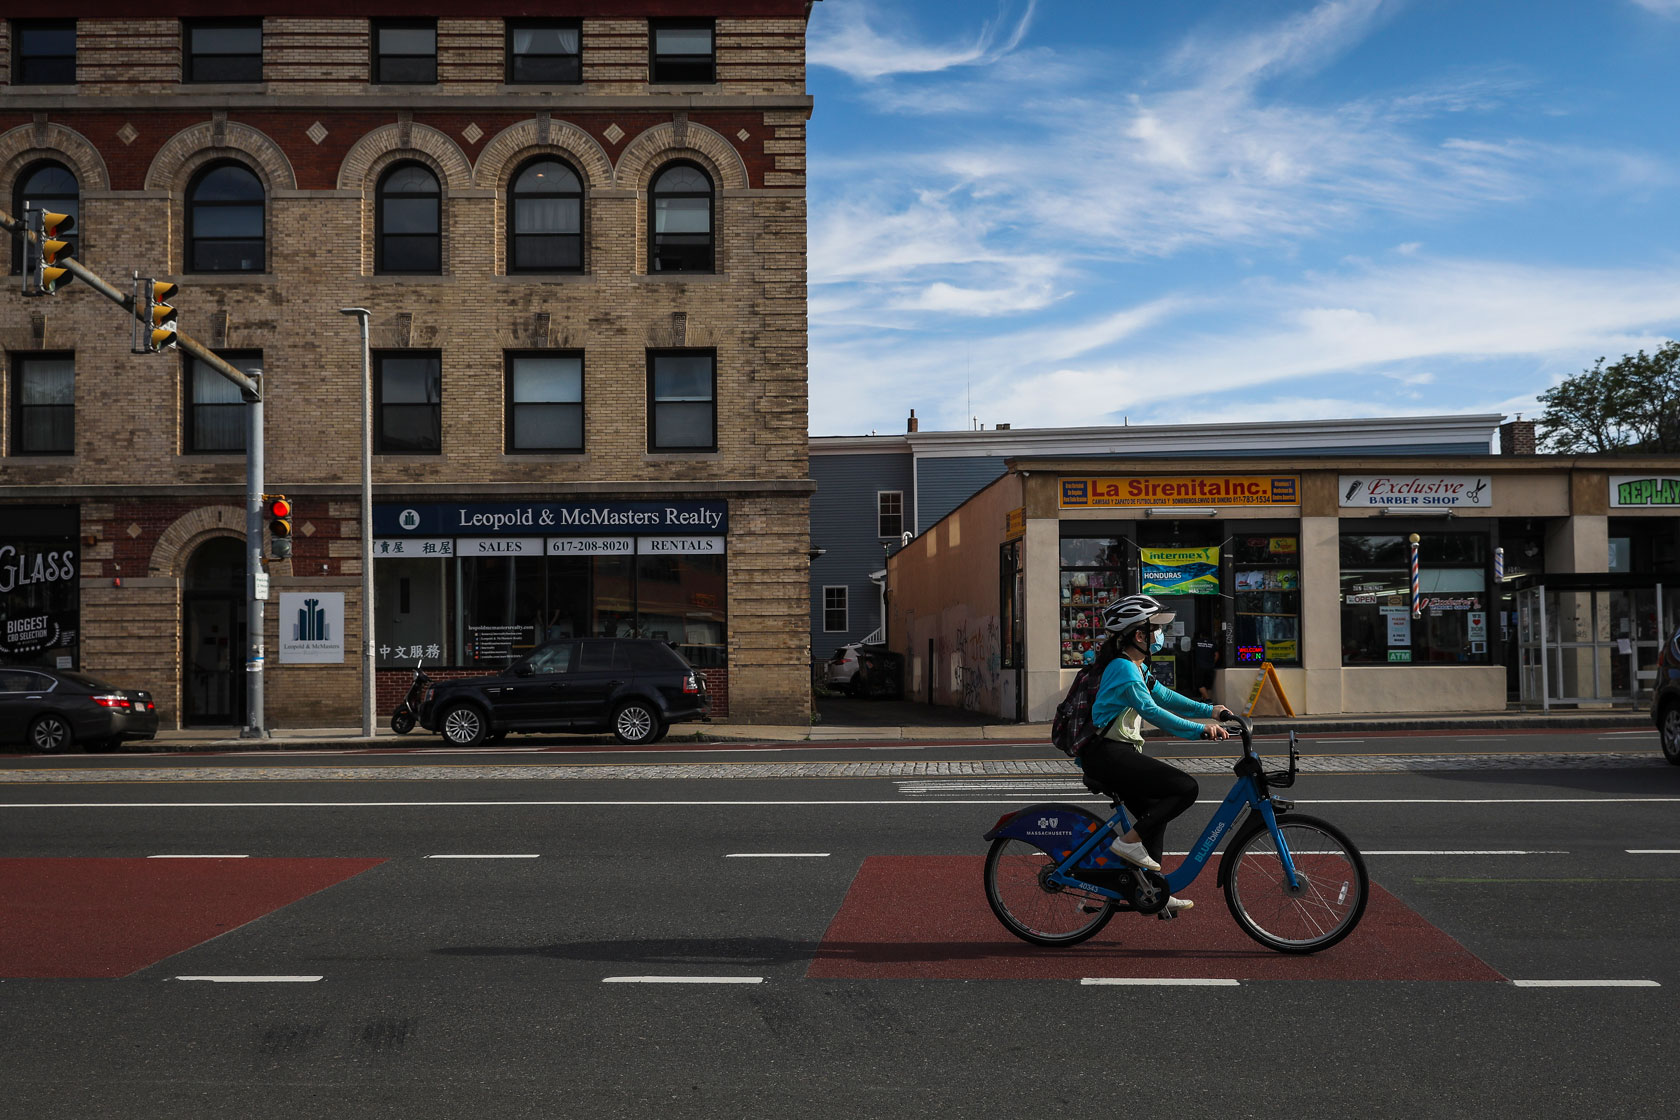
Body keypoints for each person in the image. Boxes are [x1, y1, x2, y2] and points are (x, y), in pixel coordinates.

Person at [1080, 593, 1235, 917]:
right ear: (1139, 635)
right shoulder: (1123, 668)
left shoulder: (1134, 665)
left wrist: (1212, 710)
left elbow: (1164, 696)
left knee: (1155, 813)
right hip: (1107, 754)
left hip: (1115, 752)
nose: (1160, 635)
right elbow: (1152, 711)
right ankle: (1126, 845)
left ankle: (1151, 888)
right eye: (1155, 630)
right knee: (1184, 788)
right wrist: (1200, 729)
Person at [1191, 628, 1219, 701]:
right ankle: (1204, 699)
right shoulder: (1213, 643)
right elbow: (1216, 655)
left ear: (1201, 635)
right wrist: (1213, 663)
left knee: (1199, 684)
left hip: (1200, 666)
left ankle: (1208, 699)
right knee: (1208, 685)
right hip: (1210, 666)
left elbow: (1191, 651)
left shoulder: (1196, 642)